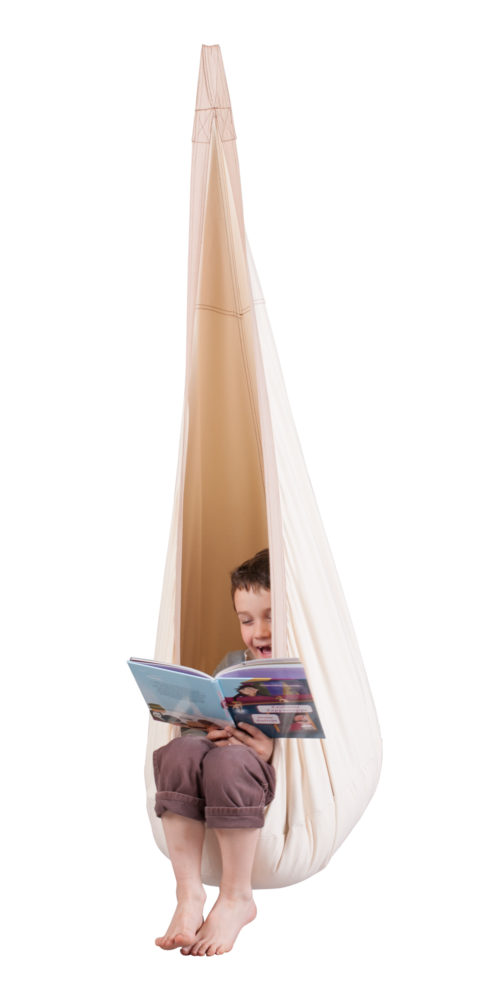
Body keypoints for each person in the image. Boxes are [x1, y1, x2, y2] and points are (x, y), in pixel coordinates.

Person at [153, 548, 275, 957]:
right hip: (216, 755)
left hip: (250, 773)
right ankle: (188, 893)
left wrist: (267, 750)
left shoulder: (309, 670)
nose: (259, 631)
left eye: (270, 616)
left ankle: (237, 897)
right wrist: (206, 728)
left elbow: (314, 755)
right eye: (246, 620)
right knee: (178, 751)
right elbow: (199, 725)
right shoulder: (231, 664)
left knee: (228, 762)